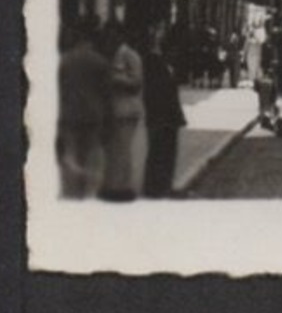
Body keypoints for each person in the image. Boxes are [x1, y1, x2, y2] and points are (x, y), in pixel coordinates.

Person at [56, 19, 111, 199]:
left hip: (69, 114)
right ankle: (87, 193)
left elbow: (59, 89)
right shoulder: (100, 62)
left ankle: (72, 192)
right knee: (90, 154)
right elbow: (106, 92)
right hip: (93, 115)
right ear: (91, 41)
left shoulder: (64, 61)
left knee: (71, 154)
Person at [100, 22, 145, 202]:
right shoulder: (113, 55)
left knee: (122, 150)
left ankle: (122, 189)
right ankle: (114, 186)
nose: (108, 39)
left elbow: (136, 82)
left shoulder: (130, 55)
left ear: (119, 35)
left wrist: (114, 78)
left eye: (111, 35)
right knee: (114, 151)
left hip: (126, 110)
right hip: (115, 109)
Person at [141, 22, 187, 198]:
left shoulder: (164, 63)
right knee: (157, 153)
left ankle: (164, 186)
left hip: (169, 116)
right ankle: (154, 188)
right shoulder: (152, 62)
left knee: (167, 153)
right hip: (159, 115)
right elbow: (154, 91)